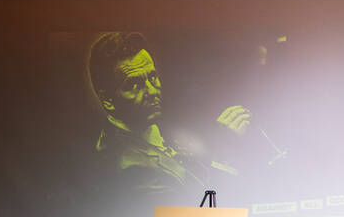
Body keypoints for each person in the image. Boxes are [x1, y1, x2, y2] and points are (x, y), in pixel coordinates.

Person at [88, 31, 253, 193]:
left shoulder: (149, 127)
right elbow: (197, 204)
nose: (152, 91)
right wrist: (223, 142)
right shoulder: (131, 167)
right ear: (108, 100)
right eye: (134, 85)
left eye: (152, 78)